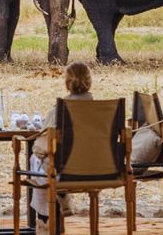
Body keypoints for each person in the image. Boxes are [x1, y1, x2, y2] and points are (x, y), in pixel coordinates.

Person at [29, 61, 93, 235]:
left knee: (37, 163)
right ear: (90, 82)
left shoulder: (58, 111)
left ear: (67, 84)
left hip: (63, 171)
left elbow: (42, 146)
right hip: (97, 171)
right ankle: (60, 198)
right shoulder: (103, 111)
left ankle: (44, 220)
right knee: (45, 167)